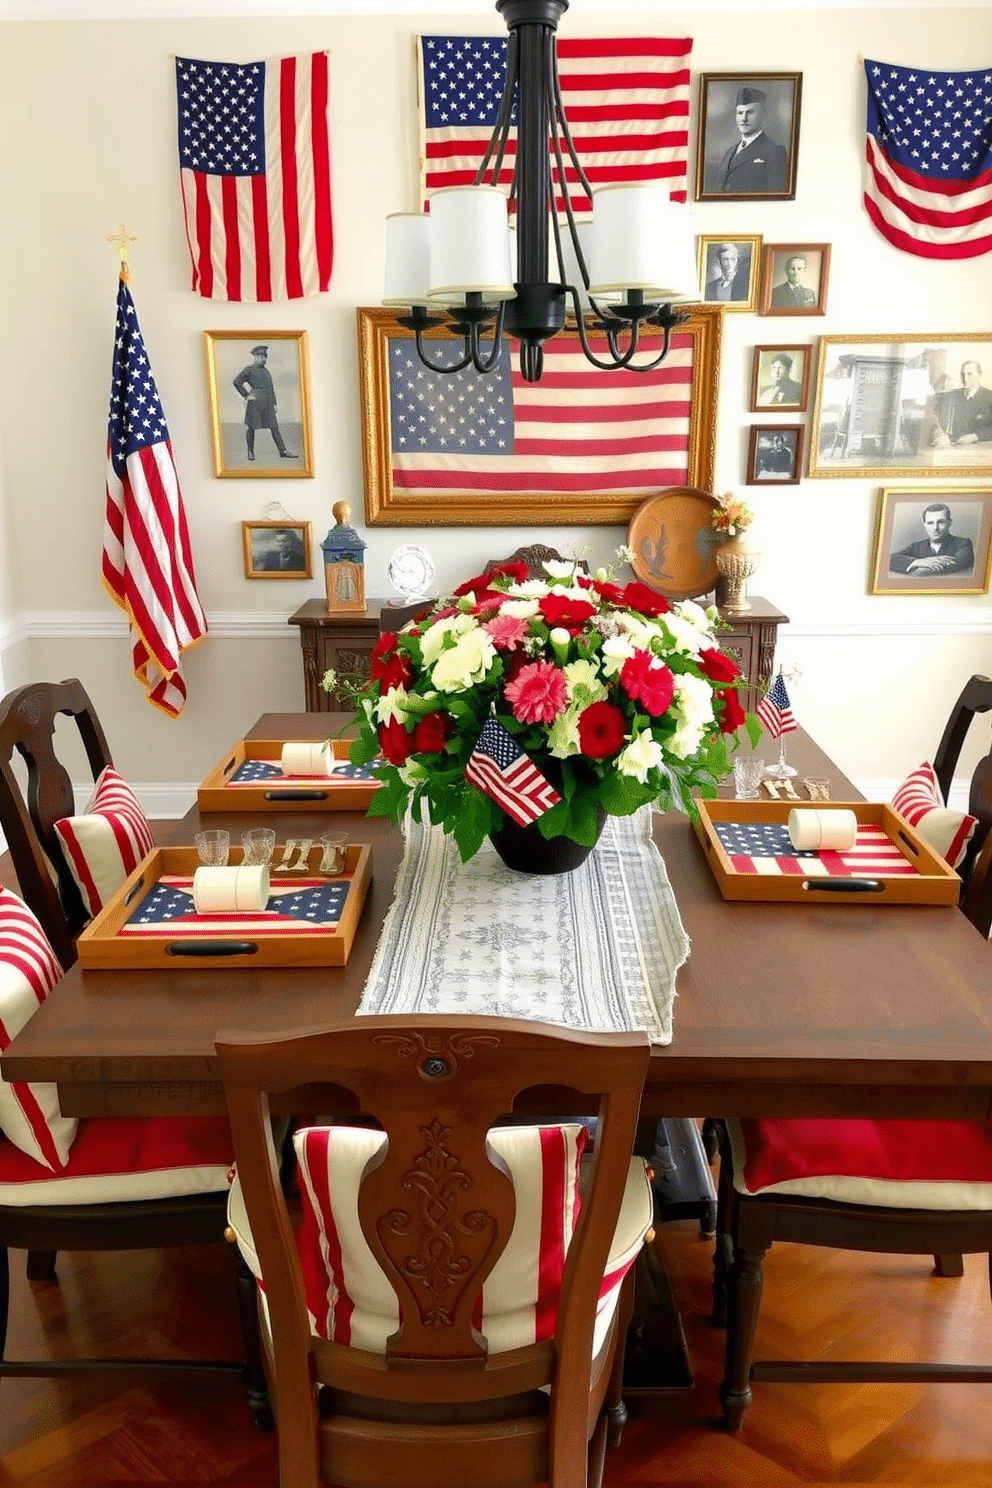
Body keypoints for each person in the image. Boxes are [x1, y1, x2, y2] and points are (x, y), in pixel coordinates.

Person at [714, 86, 789, 194]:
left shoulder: (775, 151)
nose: (744, 118)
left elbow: (775, 197)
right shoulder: (729, 152)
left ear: (763, 115)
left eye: (750, 112)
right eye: (740, 113)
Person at [232, 345, 297, 462]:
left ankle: (283, 451)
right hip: (255, 403)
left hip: (267, 403)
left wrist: (274, 403)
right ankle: (250, 452)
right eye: (260, 357)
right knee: (251, 427)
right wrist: (246, 396)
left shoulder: (267, 372)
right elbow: (237, 382)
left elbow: (271, 388)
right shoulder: (249, 369)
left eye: (264, 357)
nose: (263, 359)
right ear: (255, 357)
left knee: (274, 427)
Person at [888, 503, 974, 576]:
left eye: (940, 522)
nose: (935, 528)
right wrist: (917, 561)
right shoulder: (916, 546)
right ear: (924, 524)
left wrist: (918, 571)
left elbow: (958, 563)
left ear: (950, 522)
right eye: (930, 523)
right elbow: (890, 559)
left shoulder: (963, 543)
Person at [930, 360, 992, 447]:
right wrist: (940, 435)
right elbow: (935, 421)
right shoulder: (950, 396)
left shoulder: (989, 397)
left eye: (969, 374)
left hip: (981, 449)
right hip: (951, 448)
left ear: (979, 375)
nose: (965, 379)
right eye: (962, 374)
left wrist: (975, 436)